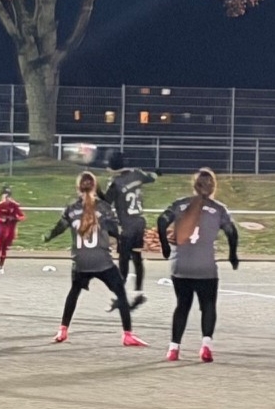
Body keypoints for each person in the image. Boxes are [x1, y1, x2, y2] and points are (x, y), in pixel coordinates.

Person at [44, 171, 147, 347]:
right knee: (121, 294)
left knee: (74, 292)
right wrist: (120, 241)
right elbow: (115, 231)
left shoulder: (71, 209)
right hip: (102, 261)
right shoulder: (104, 208)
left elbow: (59, 228)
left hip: (81, 262)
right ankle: (127, 334)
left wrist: (48, 237)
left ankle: (63, 329)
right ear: (95, 187)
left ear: (78, 188)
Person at [155, 168, 238, 362]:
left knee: (182, 306)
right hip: (205, 266)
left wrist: (165, 246)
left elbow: (161, 221)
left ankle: (174, 348)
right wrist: (232, 254)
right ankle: (206, 346)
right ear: (213, 187)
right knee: (208, 305)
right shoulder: (219, 209)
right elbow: (232, 232)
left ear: (194, 185)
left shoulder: (180, 205)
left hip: (181, 265)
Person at [104, 153, 157, 296]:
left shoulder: (116, 183)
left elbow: (105, 203)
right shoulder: (137, 174)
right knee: (137, 257)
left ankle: (121, 291)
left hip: (126, 226)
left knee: (124, 259)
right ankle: (139, 289)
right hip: (139, 222)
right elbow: (152, 177)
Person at [0, 186, 25, 273]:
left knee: (5, 248)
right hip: (0, 229)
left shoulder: (14, 206)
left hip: (10, 230)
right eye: (4, 197)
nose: (6, 199)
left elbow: (22, 216)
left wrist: (15, 219)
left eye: (8, 197)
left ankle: (1, 266)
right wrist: (2, 220)